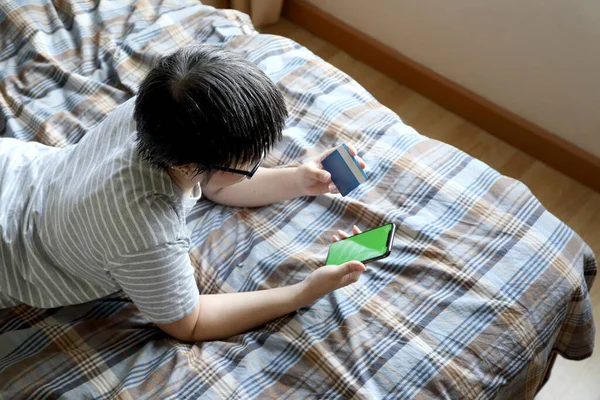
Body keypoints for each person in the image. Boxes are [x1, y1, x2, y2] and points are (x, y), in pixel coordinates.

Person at [0, 46, 367, 342]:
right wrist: (302, 293)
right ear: (190, 164)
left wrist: (298, 181)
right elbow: (188, 323)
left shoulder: (161, 108)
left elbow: (215, 185)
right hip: (14, 256)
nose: (257, 167)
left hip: (14, 167)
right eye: (248, 165)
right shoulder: (147, 232)